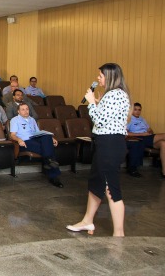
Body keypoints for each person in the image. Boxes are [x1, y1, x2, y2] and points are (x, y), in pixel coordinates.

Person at [67, 63, 130, 237]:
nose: (98, 78)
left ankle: (119, 234)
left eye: (100, 76)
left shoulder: (115, 94)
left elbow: (99, 121)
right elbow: (106, 118)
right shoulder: (114, 95)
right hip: (105, 142)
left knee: (110, 188)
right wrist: (97, 103)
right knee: (96, 183)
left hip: (110, 144)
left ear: (109, 77)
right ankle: (87, 221)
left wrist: (90, 103)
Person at [10, 103, 63, 188]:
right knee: (49, 148)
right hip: (25, 141)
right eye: (23, 109)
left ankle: (49, 161)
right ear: (18, 111)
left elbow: (38, 133)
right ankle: (54, 175)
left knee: (47, 136)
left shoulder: (32, 119)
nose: (25, 111)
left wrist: (51, 139)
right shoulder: (15, 120)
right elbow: (12, 135)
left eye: (27, 109)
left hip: (35, 139)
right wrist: (19, 140)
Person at [126, 102, 165, 178]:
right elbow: (126, 133)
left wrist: (150, 131)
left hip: (148, 137)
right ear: (131, 110)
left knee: (163, 143)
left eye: (139, 110)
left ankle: (164, 172)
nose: (137, 111)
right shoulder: (129, 119)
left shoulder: (142, 119)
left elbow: (150, 130)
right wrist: (142, 134)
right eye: (135, 110)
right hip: (139, 138)